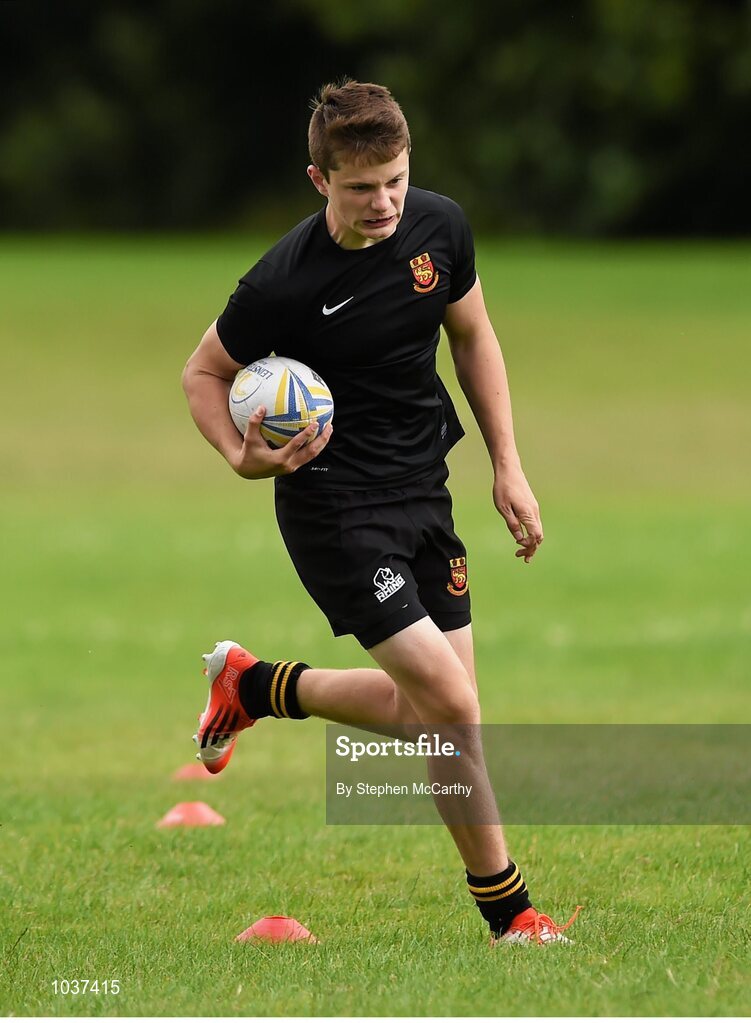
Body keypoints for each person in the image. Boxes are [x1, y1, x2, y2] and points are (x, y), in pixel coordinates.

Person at [182, 79, 579, 945]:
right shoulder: (283, 282)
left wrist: (506, 465)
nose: (384, 203)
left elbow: (472, 335)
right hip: (335, 510)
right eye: (362, 188)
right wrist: (240, 455)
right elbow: (201, 373)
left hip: (422, 492)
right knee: (452, 705)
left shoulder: (439, 227)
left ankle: (252, 684)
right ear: (319, 180)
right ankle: (510, 914)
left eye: (395, 180)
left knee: (429, 711)